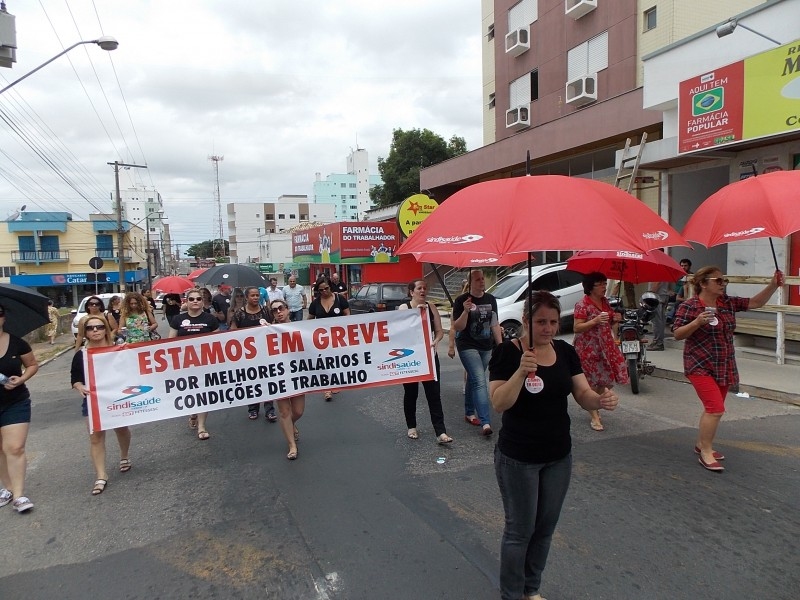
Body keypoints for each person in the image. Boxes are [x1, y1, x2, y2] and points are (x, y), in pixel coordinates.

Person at [489, 291, 618, 600]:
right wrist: (521, 370)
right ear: (524, 321)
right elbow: (499, 403)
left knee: (545, 529)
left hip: (558, 455)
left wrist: (598, 400)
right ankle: (511, 593)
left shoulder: (566, 351)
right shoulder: (507, 353)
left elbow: (582, 393)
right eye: (540, 322)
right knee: (520, 531)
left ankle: (531, 589)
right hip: (518, 458)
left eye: (552, 321)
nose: (548, 328)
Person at [672, 266, 783, 473]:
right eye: (718, 281)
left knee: (713, 409)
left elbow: (756, 302)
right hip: (699, 364)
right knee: (715, 408)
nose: (723, 284)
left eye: (724, 281)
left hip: (724, 364)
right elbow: (678, 334)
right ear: (703, 284)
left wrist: (773, 285)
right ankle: (706, 452)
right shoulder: (690, 306)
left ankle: (701, 443)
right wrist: (697, 322)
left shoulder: (727, 303)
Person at [70, 314, 132, 496]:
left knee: (121, 429)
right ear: (85, 333)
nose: (95, 330)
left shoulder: (119, 350)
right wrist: (79, 386)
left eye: (99, 327)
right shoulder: (80, 355)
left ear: (106, 328)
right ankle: (101, 475)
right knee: (95, 437)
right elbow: (75, 379)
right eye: (90, 328)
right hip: (93, 400)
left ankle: (124, 456)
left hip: (117, 397)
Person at [398, 280, 453, 444]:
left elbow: (439, 331)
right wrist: (416, 312)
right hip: (411, 358)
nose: (423, 291)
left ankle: (441, 432)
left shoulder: (431, 307)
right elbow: (401, 330)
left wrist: (436, 341)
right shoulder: (404, 308)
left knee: (434, 394)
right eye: (419, 288)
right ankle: (411, 426)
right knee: (411, 393)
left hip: (429, 356)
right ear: (411, 292)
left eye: (425, 288)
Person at [572, 272, 627, 432]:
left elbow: (608, 323)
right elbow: (577, 327)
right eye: (600, 284)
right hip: (588, 349)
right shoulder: (582, 304)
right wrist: (594, 321)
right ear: (590, 287)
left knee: (606, 380)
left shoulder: (605, 302)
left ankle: (595, 403)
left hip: (606, 347)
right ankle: (594, 415)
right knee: (591, 382)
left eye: (605, 283)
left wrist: (615, 319)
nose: (604, 287)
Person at [0, 302, 40, 513]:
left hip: (15, 401)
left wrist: (21, 379)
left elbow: (32, 364)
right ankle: (6, 488)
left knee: (14, 447)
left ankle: (19, 495)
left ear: (4, 317)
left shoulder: (17, 343)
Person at [452, 269, 503, 436]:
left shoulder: (490, 299)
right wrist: (466, 311)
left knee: (474, 379)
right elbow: (458, 327)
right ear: (470, 283)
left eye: (483, 279)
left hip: (486, 345)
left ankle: (468, 412)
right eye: (478, 280)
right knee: (480, 380)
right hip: (467, 345)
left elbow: (494, 323)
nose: (482, 282)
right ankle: (485, 422)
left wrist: (501, 345)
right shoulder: (461, 301)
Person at [169, 288, 220, 440]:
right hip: (185, 363)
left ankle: (202, 426)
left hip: (205, 363)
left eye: (198, 299)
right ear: (186, 302)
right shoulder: (178, 320)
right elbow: (170, 341)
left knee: (203, 393)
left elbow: (218, 341)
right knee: (190, 392)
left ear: (203, 302)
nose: (195, 301)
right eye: (192, 299)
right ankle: (192, 412)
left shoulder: (210, 319)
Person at [230, 287, 276, 422]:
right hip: (247, 355)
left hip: (265, 352)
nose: (255, 297)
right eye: (253, 295)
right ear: (247, 297)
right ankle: (253, 408)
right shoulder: (239, 314)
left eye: (257, 295)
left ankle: (270, 410)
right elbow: (232, 331)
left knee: (268, 380)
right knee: (252, 382)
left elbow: (273, 327)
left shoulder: (266, 311)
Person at [269, 298, 306, 460]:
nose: (278, 312)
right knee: (284, 412)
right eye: (274, 310)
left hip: (297, 375)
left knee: (298, 411)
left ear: (288, 309)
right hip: (278, 376)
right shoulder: (267, 331)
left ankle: (290, 425)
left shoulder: (300, 328)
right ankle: (292, 445)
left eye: (281, 308)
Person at [307, 277, 350, 400]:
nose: (324, 291)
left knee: (336, 361)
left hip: (338, 338)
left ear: (330, 287)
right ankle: (327, 389)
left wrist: (346, 325)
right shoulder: (315, 303)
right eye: (321, 290)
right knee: (324, 363)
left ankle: (335, 382)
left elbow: (347, 313)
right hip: (322, 340)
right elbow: (309, 319)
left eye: (326, 288)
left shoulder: (339, 299)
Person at [447, 279, 474, 423]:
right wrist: (451, 346)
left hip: (477, 341)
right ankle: (468, 386)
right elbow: (453, 327)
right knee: (470, 368)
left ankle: (469, 385)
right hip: (463, 339)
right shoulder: (460, 302)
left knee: (471, 369)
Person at [667, 259, 693, 324]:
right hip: (676, 294)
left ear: (689, 266)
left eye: (685, 266)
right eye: (681, 266)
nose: (683, 267)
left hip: (685, 294)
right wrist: (670, 291)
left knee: (678, 302)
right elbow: (670, 283)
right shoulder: (678, 275)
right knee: (664, 298)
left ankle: (670, 317)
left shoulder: (691, 276)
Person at [647, 279, 671, 351]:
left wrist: (650, 294)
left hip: (657, 296)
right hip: (663, 295)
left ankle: (658, 342)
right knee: (661, 320)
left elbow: (657, 282)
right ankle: (659, 341)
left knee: (656, 321)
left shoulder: (656, 269)